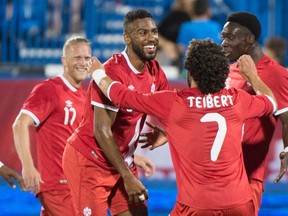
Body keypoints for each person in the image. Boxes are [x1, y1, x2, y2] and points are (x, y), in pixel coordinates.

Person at [89, 39, 277, 215]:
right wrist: (252, 76)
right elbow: (271, 102)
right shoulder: (237, 100)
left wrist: (98, 73)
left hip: (196, 205)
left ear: (190, 72)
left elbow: (122, 96)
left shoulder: (174, 103)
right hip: (239, 204)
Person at [12, 35, 156, 216]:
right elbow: (19, 124)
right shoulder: (49, 89)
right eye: (77, 58)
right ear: (64, 60)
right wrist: (28, 166)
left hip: (80, 179)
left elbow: (90, 139)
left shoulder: (85, 96)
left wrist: (133, 159)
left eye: (87, 58)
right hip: (60, 184)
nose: (83, 63)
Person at [62, 9, 170, 216]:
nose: (151, 38)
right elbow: (102, 131)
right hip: (90, 161)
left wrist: (167, 132)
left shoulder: (155, 70)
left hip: (121, 161)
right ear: (127, 38)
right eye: (143, 32)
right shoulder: (112, 72)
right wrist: (128, 176)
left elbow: (171, 110)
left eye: (154, 32)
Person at [221, 11, 288, 215]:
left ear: (250, 39)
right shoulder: (229, 71)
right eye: (223, 37)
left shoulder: (277, 74)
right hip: (218, 174)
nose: (224, 43)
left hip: (248, 177)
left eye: (230, 37)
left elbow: (286, 119)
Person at [177, 0, 221, 66]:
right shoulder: (215, 26)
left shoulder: (186, 26)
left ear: (192, 11)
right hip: (213, 68)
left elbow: (181, 48)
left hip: (191, 68)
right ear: (208, 10)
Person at [157, 0, 192, 67]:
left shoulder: (198, 20)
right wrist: (166, 44)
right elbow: (155, 35)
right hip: (169, 55)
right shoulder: (173, 16)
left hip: (186, 57)